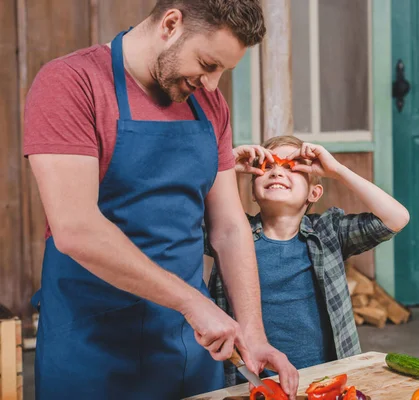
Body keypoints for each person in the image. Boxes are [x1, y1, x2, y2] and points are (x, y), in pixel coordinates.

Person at [22, 1, 298, 398]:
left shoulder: (208, 103)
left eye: (222, 70)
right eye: (207, 63)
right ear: (171, 23)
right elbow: (76, 229)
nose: (212, 84)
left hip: (189, 343)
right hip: (90, 345)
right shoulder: (71, 83)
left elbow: (229, 228)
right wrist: (190, 302)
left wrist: (252, 332)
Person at [207, 136, 410, 385]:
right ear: (253, 192)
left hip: (324, 377)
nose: (277, 172)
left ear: (314, 193)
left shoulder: (329, 232)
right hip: (247, 379)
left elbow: (396, 218)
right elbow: (181, 220)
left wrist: (337, 170)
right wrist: (223, 168)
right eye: (267, 167)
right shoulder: (229, 233)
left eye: (292, 167)